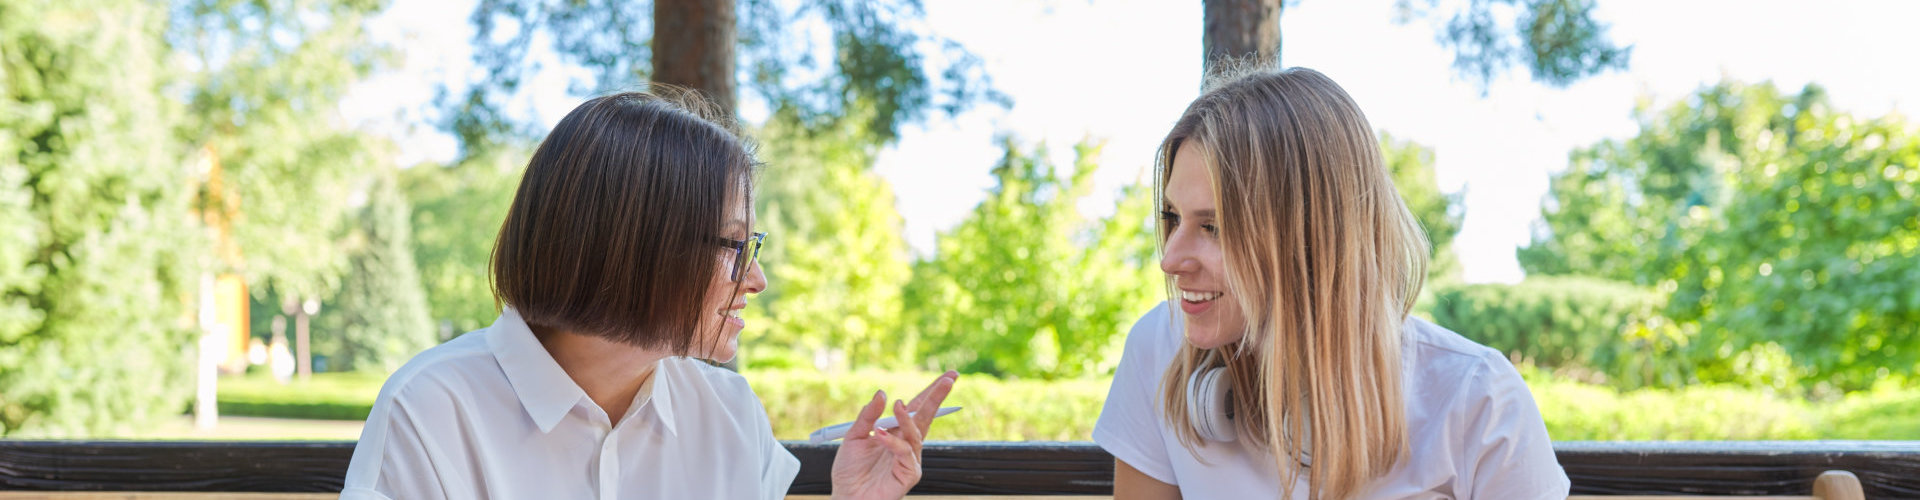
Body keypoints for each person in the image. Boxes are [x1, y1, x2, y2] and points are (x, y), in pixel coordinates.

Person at [340, 89, 958, 500]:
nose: (757, 279)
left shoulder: (728, 413)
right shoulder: (433, 410)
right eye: (735, 247)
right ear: (639, 246)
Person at [1092, 65, 1568, 499]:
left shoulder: (1479, 400)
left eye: (1214, 227)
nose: (1170, 259)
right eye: (1172, 217)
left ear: (1311, 239)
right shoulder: (1159, 347)